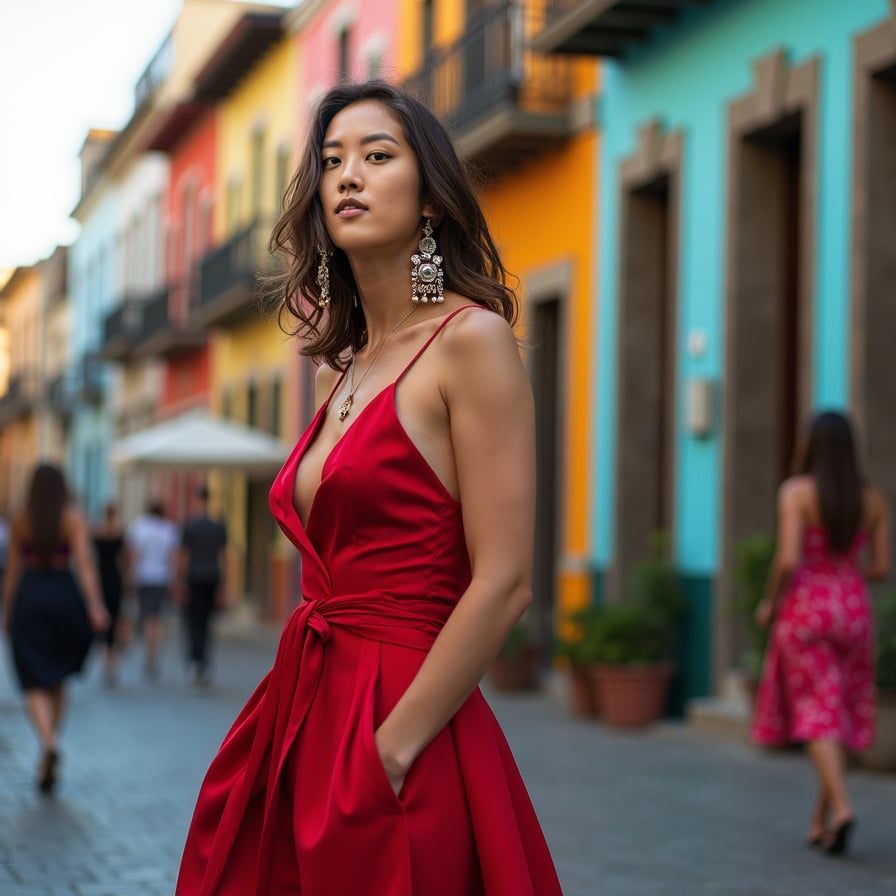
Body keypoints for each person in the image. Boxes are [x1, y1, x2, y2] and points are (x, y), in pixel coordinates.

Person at [176, 80, 562, 895]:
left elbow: (504, 582)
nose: (348, 174)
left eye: (377, 156)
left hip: (406, 722)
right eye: (331, 161)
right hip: (304, 707)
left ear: (431, 199)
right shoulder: (336, 371)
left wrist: (391, 750)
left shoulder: (471, 341)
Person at [751, 410, 891, 856]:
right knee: (841, 711)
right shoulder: (873, 499)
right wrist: (846, 580)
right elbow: (882, 567)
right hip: (854, 610)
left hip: (807, 610)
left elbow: (788, 559)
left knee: (817, 711)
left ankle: (843, 809)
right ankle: (819, 821)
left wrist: (770, 602)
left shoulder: (797, 492)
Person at [2, 463, 108, 793]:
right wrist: (95, 605)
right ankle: (51, 743)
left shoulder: (19, 519)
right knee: (58, 676)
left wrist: (7, 611)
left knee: (32, 678)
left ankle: (48, 743)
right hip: (64, 594)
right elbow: (85, 564)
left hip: (30, 595)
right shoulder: (73, 517)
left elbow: (13, 570)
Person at [176, 485, 228, 687]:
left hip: (194, 578)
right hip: (212, 578)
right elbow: (224, 558)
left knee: (193, 622)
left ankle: (196, 661)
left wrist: (180, 582)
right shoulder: (218, 527)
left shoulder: (190, 526)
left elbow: (183, 556)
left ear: (197, 501)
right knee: (207, 623)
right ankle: (204, 662)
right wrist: (224, 585)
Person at [125, 500, 179, 681]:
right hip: (161, 577)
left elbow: (134, 555)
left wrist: (130, 576)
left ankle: (149, 655)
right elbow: (173, 557)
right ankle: (153, 655)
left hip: (144, 576)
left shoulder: (139, 527)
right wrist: (174, 581)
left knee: (148, 617)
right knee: (156, 619)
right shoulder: (169, 530)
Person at [92, 501, 126, 687]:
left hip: (101, 578)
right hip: (114, 577)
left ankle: (106, 658)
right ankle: (111, 660)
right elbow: (125, 558)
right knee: (113, 617)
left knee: (102, 618)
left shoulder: (97, 533)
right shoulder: (119, 533)